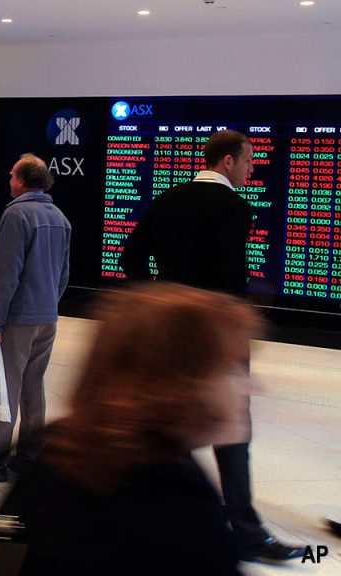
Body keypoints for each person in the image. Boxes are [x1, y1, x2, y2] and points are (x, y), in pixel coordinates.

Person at [120, 129, 302, 564]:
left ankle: (168, 523)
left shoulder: (166, 200)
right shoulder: (234, 208)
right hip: (217, 338)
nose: (252, 168)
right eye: (249, 160)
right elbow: (229, 277)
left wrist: (161, 301)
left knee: (171, 427)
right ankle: (245, 530)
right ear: (227, 161)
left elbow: (130, 259)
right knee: (232, 430)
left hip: (169, 335)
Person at [0, 284, 259, 575]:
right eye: (232, 369)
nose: (252, 386)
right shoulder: (174, 503)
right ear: (182, 382)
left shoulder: (62, 452)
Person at [0, 153, 70, 481]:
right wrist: (48, 305)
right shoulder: (60, 218)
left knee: (2, 387)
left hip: (17, 318)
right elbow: (64, 274)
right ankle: (31, 455)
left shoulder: (17, 215)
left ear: (22, 180)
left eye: (12, 175)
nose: (9, 180)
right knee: (33, 387)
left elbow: (4, 274)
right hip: (47, 317)